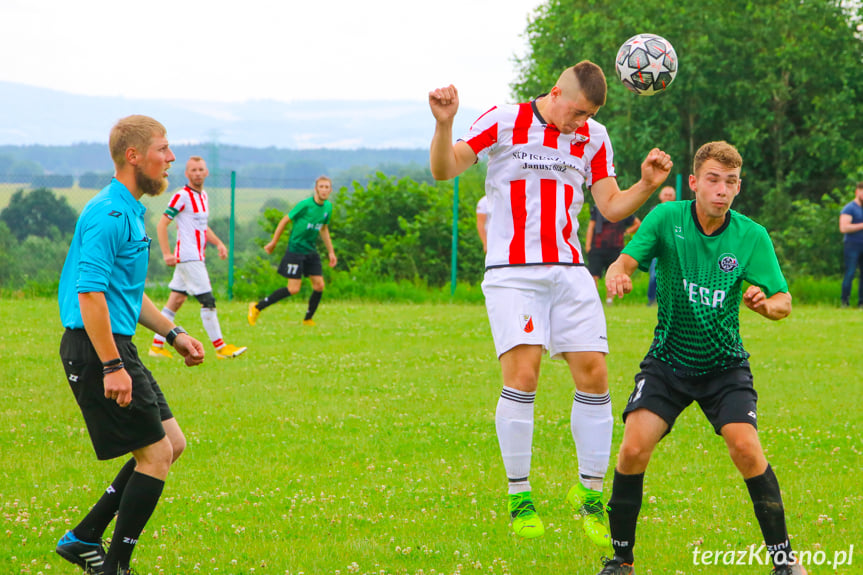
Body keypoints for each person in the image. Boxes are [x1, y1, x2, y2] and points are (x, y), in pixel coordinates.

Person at [428, 62, 672, 545]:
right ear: (556, 92)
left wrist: (644, 185)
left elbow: (609, 205)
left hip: (570, 270)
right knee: (524, 376)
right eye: (576, 113)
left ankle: (589, 496)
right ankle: (520, 497)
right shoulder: (503, 120)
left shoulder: (594, 135)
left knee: (595, 375)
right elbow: (444, 169)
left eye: (589, 117)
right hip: (512, 273)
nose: (579, 124)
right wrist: (444, 123)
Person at [597, 141, 805, 575]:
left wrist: (767, 305)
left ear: (738, 187)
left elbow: (784, 302)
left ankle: (786, 562)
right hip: (669, 362)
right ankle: (621, 560)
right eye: (712, 179)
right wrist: (618, 273)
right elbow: (626, 261)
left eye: (730, 182)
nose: (721, 190)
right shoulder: (668, 218)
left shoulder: (751, 236)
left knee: (745, 447)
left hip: (723, 367)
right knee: (633, 448)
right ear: (693, 183)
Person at [56, 115, 205, 575]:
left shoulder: (131, 211)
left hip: (115, 344)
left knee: (171, 444)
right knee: (156, 454)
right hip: (96, 347)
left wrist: (174, 333)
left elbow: (126, 293)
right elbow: (91, 293)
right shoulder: (110, 213)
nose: (172, 158)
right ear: (133, 156)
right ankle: (115, 566)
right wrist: (111, 365)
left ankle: (83, 537)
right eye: (163, 149)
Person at [149, 156, 247, 359]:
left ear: (207, 172)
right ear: (187, 173)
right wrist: (167, 254)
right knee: (208, 300)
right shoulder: (182, 196)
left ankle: (156, 347)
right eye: (193, 170)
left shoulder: (203, 196)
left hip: (196, 256)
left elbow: (202, 227)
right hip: (188, 257)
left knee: (175, 300)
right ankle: (221, 348)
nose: (197, 173)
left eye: (201, 169)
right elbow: (162, 224)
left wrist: (218, 243)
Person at [248, 175, 337, 326]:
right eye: (321, 187)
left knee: (319, 285)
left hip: (311, 250)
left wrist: (331, 252)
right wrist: (273, 242)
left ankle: (308, 319)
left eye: (326, 187)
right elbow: (285, 220)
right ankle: (257, 307)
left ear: (330, 190)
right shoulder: (305, 205)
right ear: (316, 189)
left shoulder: (328, 207)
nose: (324, 190)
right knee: (293, 289)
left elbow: (323, 228)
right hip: (296, 250)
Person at [584, 204, 640, 303]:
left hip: (616, 248)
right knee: (593, 275)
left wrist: (627, 232)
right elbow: (591, 226)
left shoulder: (623, 209)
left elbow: (637, 223)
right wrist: (588, 245)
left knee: (613, 276)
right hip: (597, 247)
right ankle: (593, 300)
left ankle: (609, 300)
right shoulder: (598, 208)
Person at [646, 185, 677, 305]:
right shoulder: (654, 211)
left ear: (674, 197)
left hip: (673, 249)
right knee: (654, 275)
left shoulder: (678, 211)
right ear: (660, 196)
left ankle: (670, 302)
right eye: (666, 195)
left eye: (670, 195)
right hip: (657, 248)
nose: (668, 197)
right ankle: (652, 300)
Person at [838, 181, 863, 307]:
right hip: (852, 245)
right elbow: (844, 227)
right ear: (857, 192)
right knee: (850, 273)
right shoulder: (850, 208)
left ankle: (861, 303)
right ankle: (845, 302)